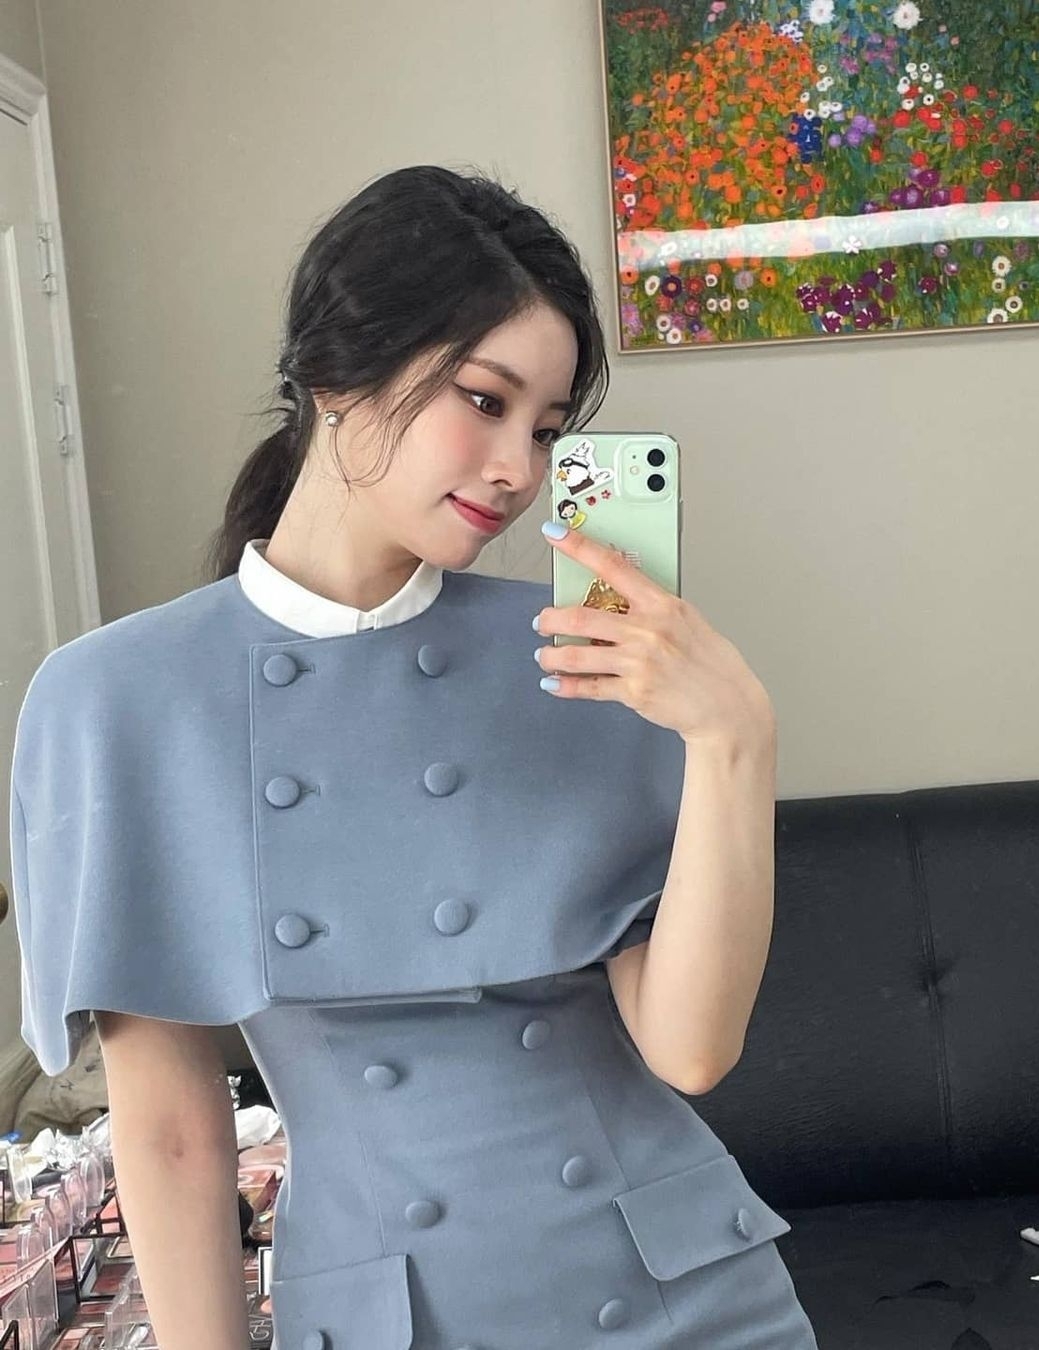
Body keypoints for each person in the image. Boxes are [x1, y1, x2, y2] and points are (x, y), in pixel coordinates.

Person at [9, 164, 819, 1349]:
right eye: (484, 400)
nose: (519, 468)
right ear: (337, 373)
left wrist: (735, 739)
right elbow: (173, 1134)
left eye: (546, 428)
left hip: (690, 1301)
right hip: (397, 1316)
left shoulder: (585, 657)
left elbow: (690, 1051)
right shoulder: (119, 700)